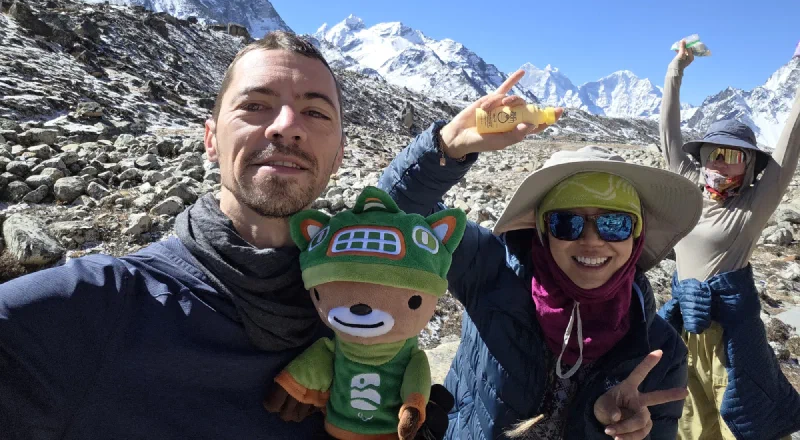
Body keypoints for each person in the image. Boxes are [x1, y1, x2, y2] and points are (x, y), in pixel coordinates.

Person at [0, 31, 451, 440]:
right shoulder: (100, 308)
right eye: (255, 105)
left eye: (315, 111)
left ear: (338, 157)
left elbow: (393, 221)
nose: (287, 125)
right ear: (211, 139)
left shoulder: (367, 298)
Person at [378, 73, 702, 440]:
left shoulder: (659, 353)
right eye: (567, 223)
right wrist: (447, 147)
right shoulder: (490, 270)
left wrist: (612, 429)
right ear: (542, 232)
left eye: (615, 224)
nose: (593, 241)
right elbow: (391, 216)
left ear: (637, 236)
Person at [658, 40, 800, 440]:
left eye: (734, 156)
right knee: (686, 422)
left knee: (731, 424)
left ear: (749, 165)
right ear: (701, 157)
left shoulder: (752, 206)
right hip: (683, 324)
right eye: (714, 153)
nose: (721, 162)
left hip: (728, 337)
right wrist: (677, 68)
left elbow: (790, 145)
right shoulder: (688, 185)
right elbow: (667, 128)